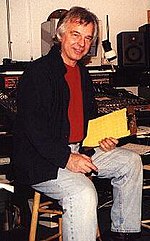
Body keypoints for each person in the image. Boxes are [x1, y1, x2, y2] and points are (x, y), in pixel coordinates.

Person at [13, 6, 143, 241]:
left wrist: (103, 138)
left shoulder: (82, 73)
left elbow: (89, 119)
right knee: (83, 192)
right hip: (43, 160)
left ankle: (124, 232)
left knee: (130, 162)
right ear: (61, 35)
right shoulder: (38, 73)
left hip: (80, 150)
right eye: (75, 34)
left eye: (87, 38)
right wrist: (67, 158)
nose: (81, 44)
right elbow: (34, 129)